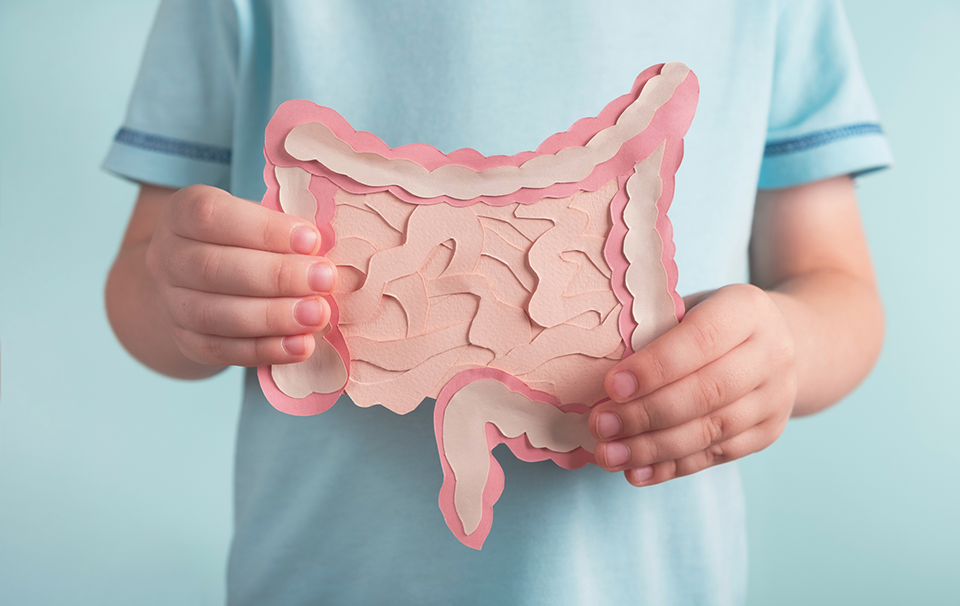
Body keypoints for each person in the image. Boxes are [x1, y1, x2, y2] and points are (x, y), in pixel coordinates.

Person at [103, 0, 891, 604]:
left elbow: (836, 285)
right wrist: (182, 292)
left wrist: (782, 348)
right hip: (321, 577)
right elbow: (140, 285)